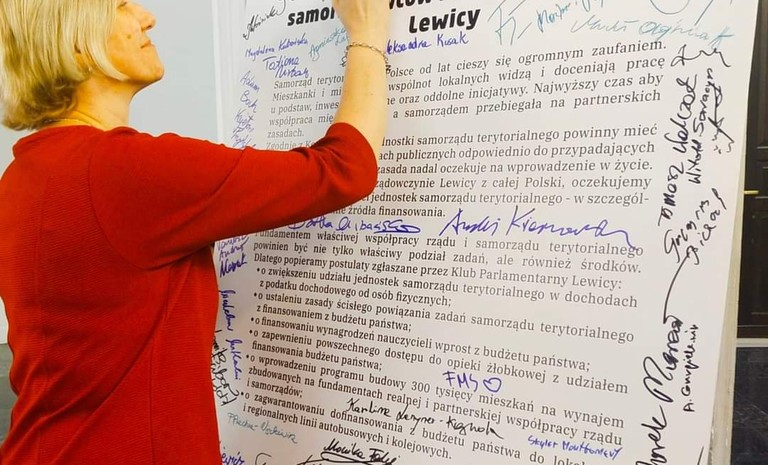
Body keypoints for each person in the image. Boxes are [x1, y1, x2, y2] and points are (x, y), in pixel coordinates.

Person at [0, 0, 390, 463]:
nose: (146, 17)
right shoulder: (124, 170)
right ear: (77, 45)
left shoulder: (22, 175)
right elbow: (345, 170)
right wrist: (368, 35)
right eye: (120, 5)